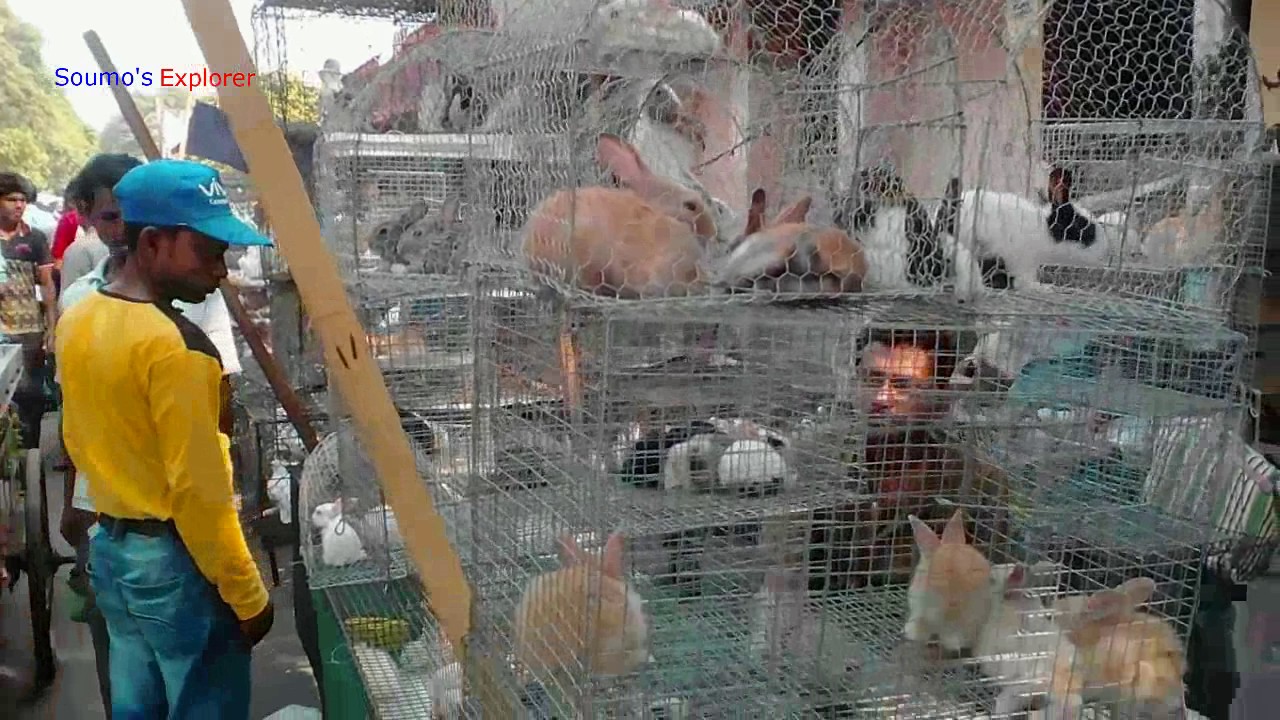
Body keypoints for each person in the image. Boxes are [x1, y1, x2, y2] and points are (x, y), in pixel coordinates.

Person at [57, 159, 273, 718]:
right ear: (153, 242)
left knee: (136, 703)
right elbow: (200, 495)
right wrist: (247, 596)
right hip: (176, 564)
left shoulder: (80, 318)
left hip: (112, 549)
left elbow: (75, 437)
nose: (222, 270)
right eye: (209, 250)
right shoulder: (179, 349)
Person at [0, 171, 57, 446]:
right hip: (1, 334)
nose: (19, 205)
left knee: (31, 396)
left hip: (30, 332)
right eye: (12, 199)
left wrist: (52, 328)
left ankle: (27, 454)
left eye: (23, 200)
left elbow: (47, 286)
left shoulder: (34, 239)